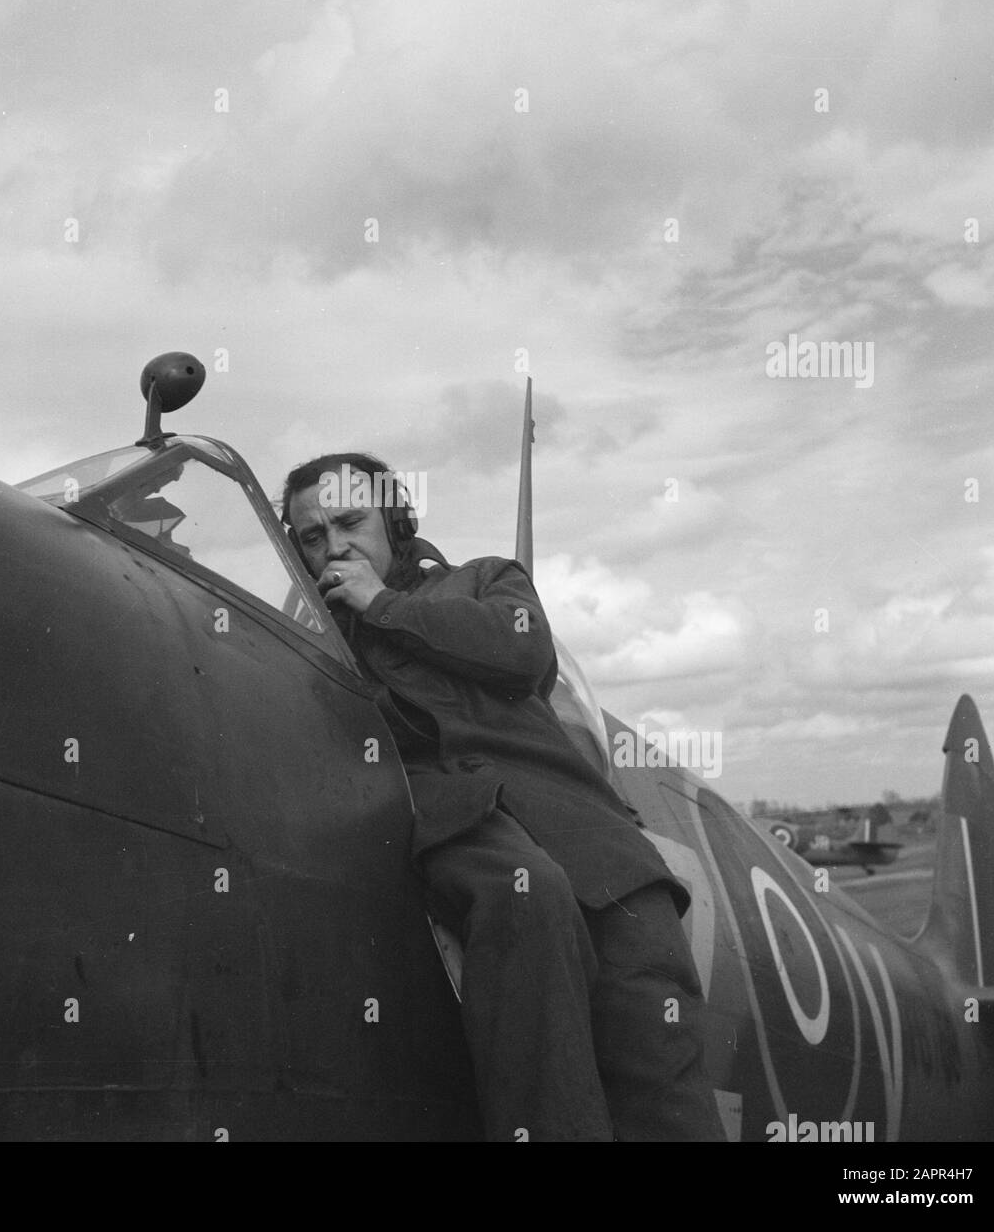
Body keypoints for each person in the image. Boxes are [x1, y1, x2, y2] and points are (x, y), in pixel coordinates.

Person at [281, 452, 725, 1142]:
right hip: (460, 822)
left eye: (348, 521)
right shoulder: (316, 640)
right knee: (527, 901)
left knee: (661, 1063)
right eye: (312, 536)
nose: (334, 545)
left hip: (595, 844)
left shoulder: (486, 580)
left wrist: (386, 606)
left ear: (395, 520)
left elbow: (526, 653)